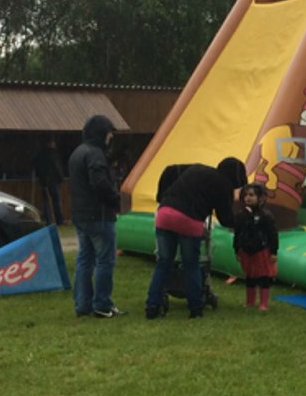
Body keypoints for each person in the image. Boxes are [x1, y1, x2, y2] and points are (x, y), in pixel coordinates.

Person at [145, 157, 246, 319]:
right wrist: (242, 220)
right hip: (189, 220)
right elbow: (226, 219)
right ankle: (195, 308)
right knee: (191, 265)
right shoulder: (224, 185)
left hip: (164, 213)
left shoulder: (197, 169)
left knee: (163, 264)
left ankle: (152, 306)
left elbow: (171, 169)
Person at [68, 115, 124, 318]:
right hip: (99, 215)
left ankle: (82, 304)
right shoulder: (96, 154)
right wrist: (115, 198)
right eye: (109, 133)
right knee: (105, 260)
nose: (111, 137)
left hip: (80, 215)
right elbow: (99, 183)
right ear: (102, 133)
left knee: (84, 260)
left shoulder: (78, 152)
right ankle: (102, 304)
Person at [234, 182, 279, 311]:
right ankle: (250, 301)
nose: (248, 198)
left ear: (260, 198)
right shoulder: (241, 215)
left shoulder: (266, 215)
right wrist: (236, 248)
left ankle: (263, 303)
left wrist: (274, 251)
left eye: (251, 195)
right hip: (246, 250)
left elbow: (273, 234)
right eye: (246, 195)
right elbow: (237, 233)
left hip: (262, 250)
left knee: (264, 277)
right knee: (250, 277)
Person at [32, 136, 65, 225]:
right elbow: (57, 167)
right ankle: (59, 220)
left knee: (46, 202)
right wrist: (60, 178)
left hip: (44, 181)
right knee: (56, 201)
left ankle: (48, 220)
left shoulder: (40, 155)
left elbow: (36, 167)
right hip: (53, 181)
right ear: (49, 144)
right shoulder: (53, 154)